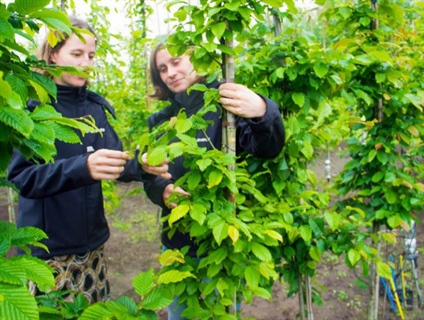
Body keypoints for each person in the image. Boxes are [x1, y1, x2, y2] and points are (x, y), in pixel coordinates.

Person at [7, 16, 170, 304]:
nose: (86, 62)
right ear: (53, 54)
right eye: (77, 54)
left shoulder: (94, 109)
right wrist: (82, 167)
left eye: (91, 55)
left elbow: (115, 161)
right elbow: (23, 177)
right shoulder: (32, 107)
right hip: (47, 255)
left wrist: (140, 164)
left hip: (91, 248)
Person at [143, 42, 285, 320]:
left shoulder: (225, 108)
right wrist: (163, 191)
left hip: (222, 244)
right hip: (176, 243)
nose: (170, 73)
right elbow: (149, 178)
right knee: (179, 314)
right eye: (162, 68)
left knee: (222, 313)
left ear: (197, 59)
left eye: (176, 62)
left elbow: (269, 148)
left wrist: (263, 110)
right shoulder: (159, 121)